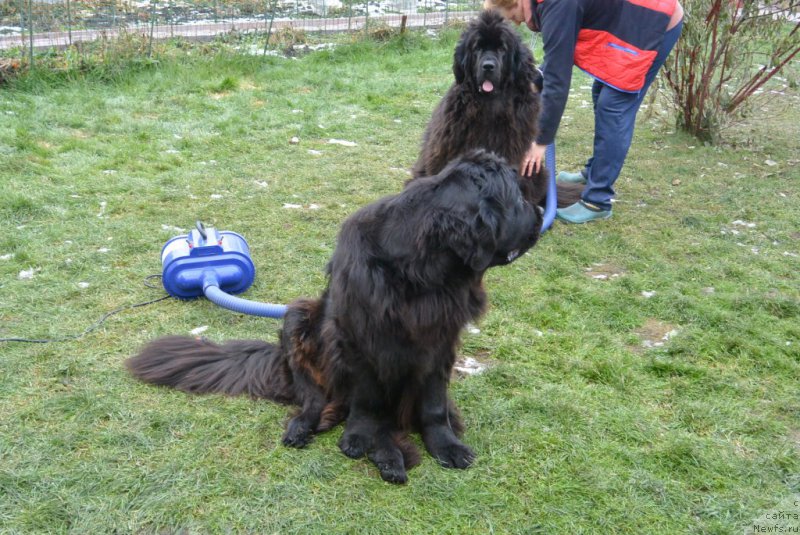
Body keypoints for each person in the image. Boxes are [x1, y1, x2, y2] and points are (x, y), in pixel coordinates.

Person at [484, 0, 684, 223]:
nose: (517, 22)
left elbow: (558, 80)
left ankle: (597, 200)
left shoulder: (557, 5)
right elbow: (556, 59)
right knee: (603, 92)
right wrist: (534, 82)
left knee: (614, 106)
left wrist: (540, 141)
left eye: (513, 15)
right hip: (630, 19)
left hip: (653, 21)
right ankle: (593, 174)